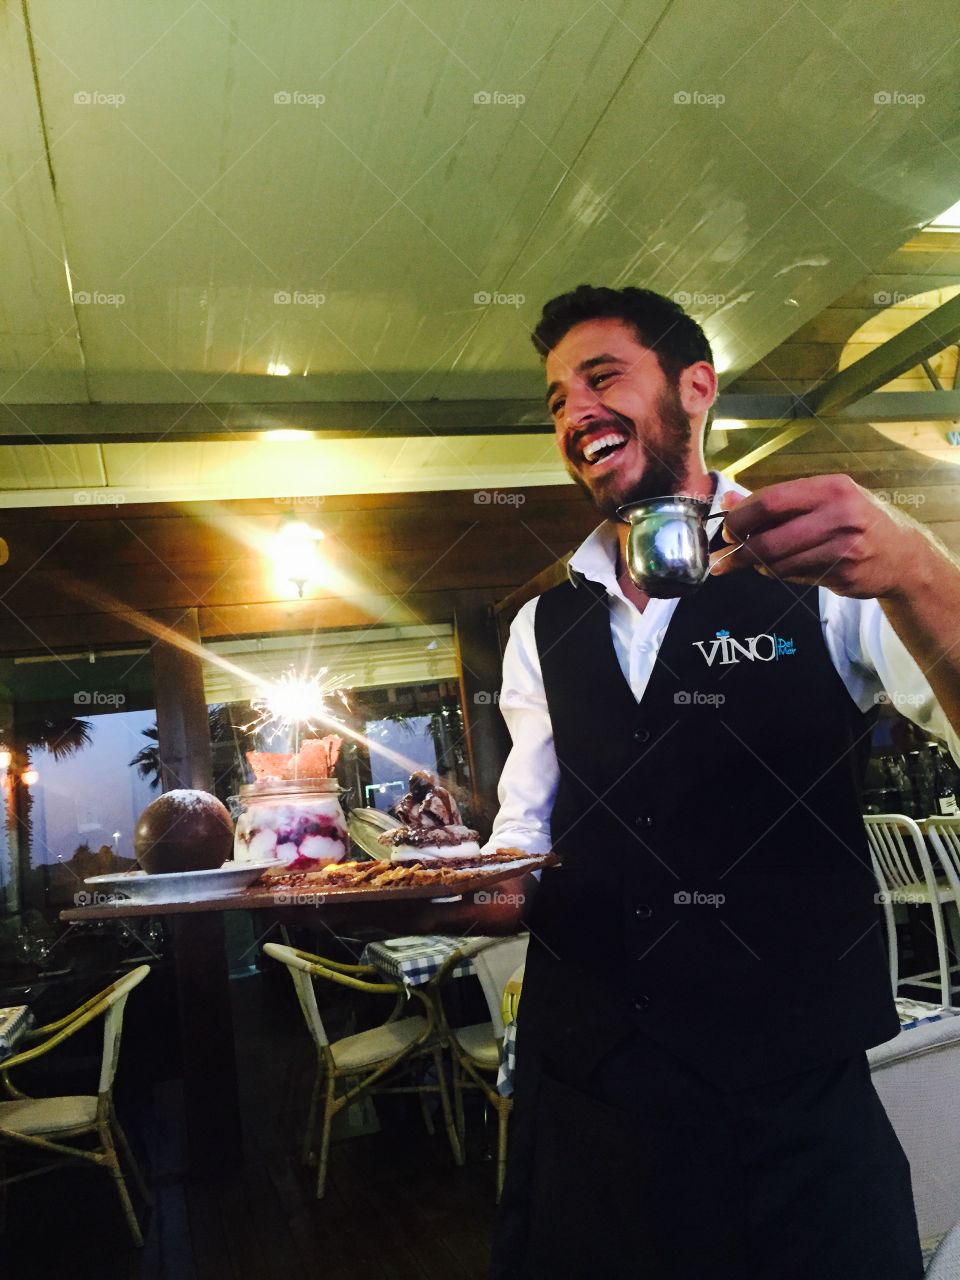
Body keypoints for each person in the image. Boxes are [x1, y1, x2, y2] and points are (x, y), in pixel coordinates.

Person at [482, 285, 960, 1279]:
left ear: (696, 387)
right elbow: (523, 840)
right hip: (591, 1097)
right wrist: (443, 890)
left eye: (602, 378)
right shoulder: (540, 626)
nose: (574, 413)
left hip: (791, 1110)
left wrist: (917, 567)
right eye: (557, 400)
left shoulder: (824, 569)